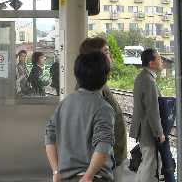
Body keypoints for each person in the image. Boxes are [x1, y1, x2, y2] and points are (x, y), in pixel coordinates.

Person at [45, 52, 114, 182]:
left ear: (77, 75)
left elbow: (49, 136)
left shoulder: (64, 103)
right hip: (93, 177)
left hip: (65, 177)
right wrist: (88, 176)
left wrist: (55, 171)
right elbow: (104, 144)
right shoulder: (103, 107)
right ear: (106, 76)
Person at [79, 38, 128, 181]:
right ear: (94, 58)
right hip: (105, 165)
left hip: (112, 159)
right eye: (106, 52)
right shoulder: (90, 89)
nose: (110, 56)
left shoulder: (100, 85)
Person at [130, 48, 164, 182]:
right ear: (151, 63)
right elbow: (152, 110)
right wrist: (159, 132)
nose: (161, 61)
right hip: (147, 129)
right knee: (148, 162)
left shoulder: (141, 77)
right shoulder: (149, 81)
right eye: (159, 59)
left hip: (142, 127)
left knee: (148, 161)